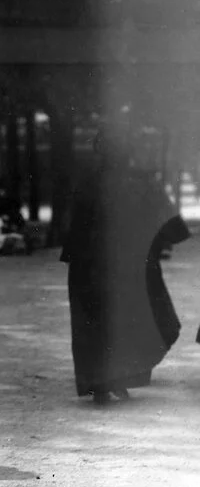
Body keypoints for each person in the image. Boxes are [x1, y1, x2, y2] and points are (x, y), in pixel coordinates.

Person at [61, 132, 190, 405]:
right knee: (143, 319)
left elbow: (75, 228)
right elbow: (173, 228)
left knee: (95, 324)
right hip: (131, 265)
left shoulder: (88, 182)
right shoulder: (142, 182)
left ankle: (103, 383)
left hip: (90, 266)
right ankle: (118, 378)